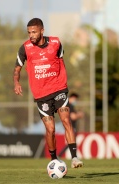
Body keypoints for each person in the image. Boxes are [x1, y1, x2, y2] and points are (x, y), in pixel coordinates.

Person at [13, 18, 83, 168]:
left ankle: (75, 158)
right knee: (50, 129)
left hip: (59, 89)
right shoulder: (25, 48)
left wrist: (61, 80)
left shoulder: (56, 43)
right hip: (41, 94)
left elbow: (60, 61)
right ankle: (53, 159)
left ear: (42, 31)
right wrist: (16, 83)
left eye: (34, 32)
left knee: (66, 120)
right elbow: (17, 69)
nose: (31, 35)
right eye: (29, 32)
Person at [59, 92, 84, 157]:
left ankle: (70, 156)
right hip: (71, 126)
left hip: (70, 126)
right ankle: (71, 156)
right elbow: (73, 117)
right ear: (72, 98)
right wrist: (79, 115)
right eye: (75, 99)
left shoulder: (67, 105)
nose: (76, 101)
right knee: (72, 142)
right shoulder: (70, 106)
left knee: (72, 142)